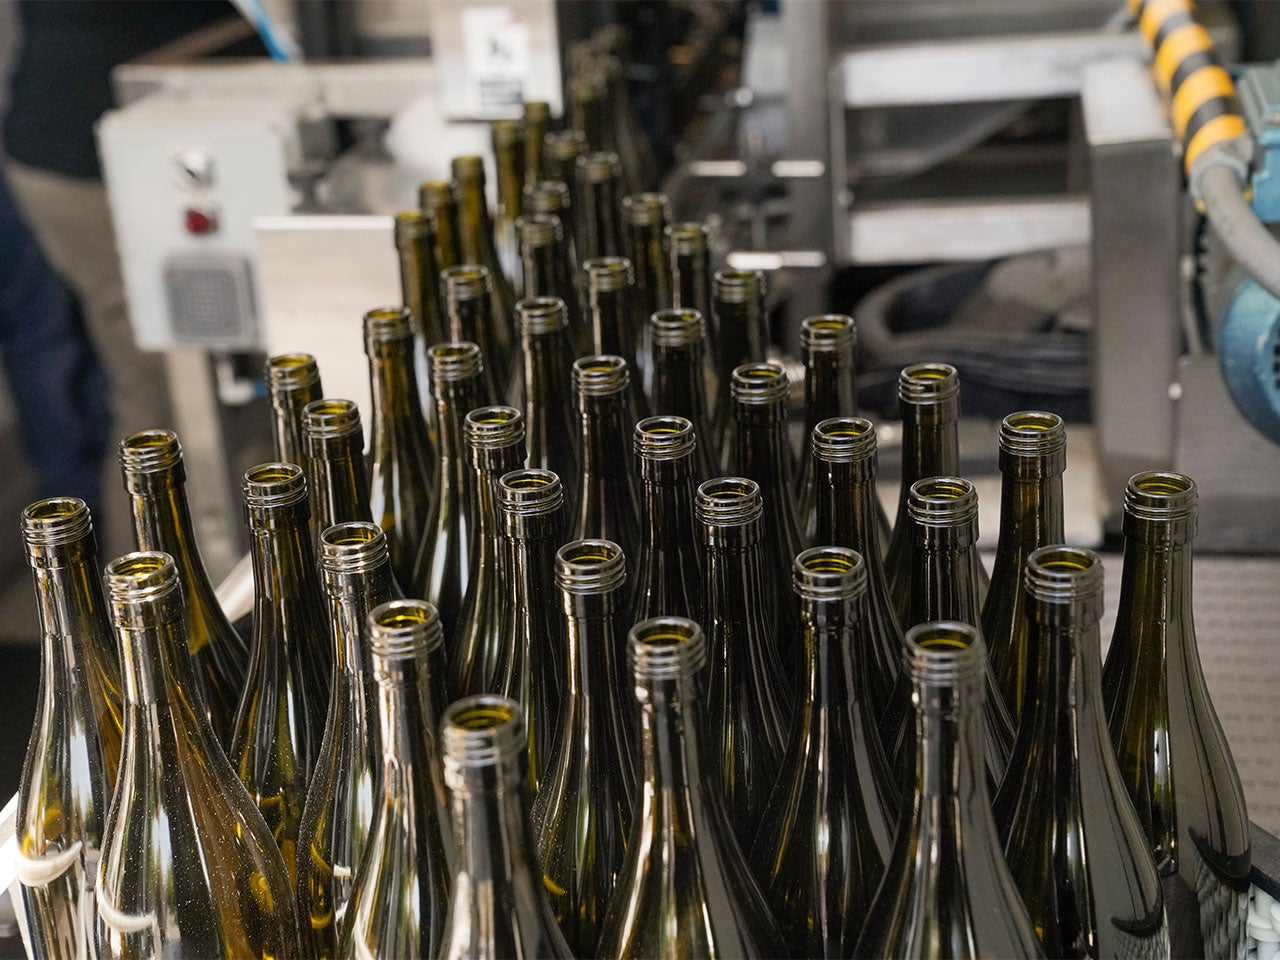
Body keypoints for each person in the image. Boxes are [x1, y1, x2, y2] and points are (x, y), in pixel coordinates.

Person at [3, 0, 241, 556]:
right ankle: (143, 615)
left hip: (112, 129)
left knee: (167, 385)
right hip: (92, 155)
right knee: (158, 389)